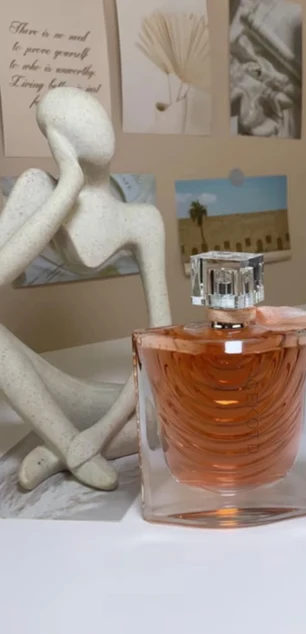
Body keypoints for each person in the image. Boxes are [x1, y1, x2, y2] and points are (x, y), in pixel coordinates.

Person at [0, 87, 171, 490]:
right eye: (73, 119)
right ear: (57, 139)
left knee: (169, 418)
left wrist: (98, 433)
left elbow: (158, 339)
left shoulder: (142, 219)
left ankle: (62, 452)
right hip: (59, 392)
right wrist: (68, 187)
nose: (95, 125)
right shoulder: (39, 188)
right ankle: (66, 444)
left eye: (93, 113)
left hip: (117, 399)